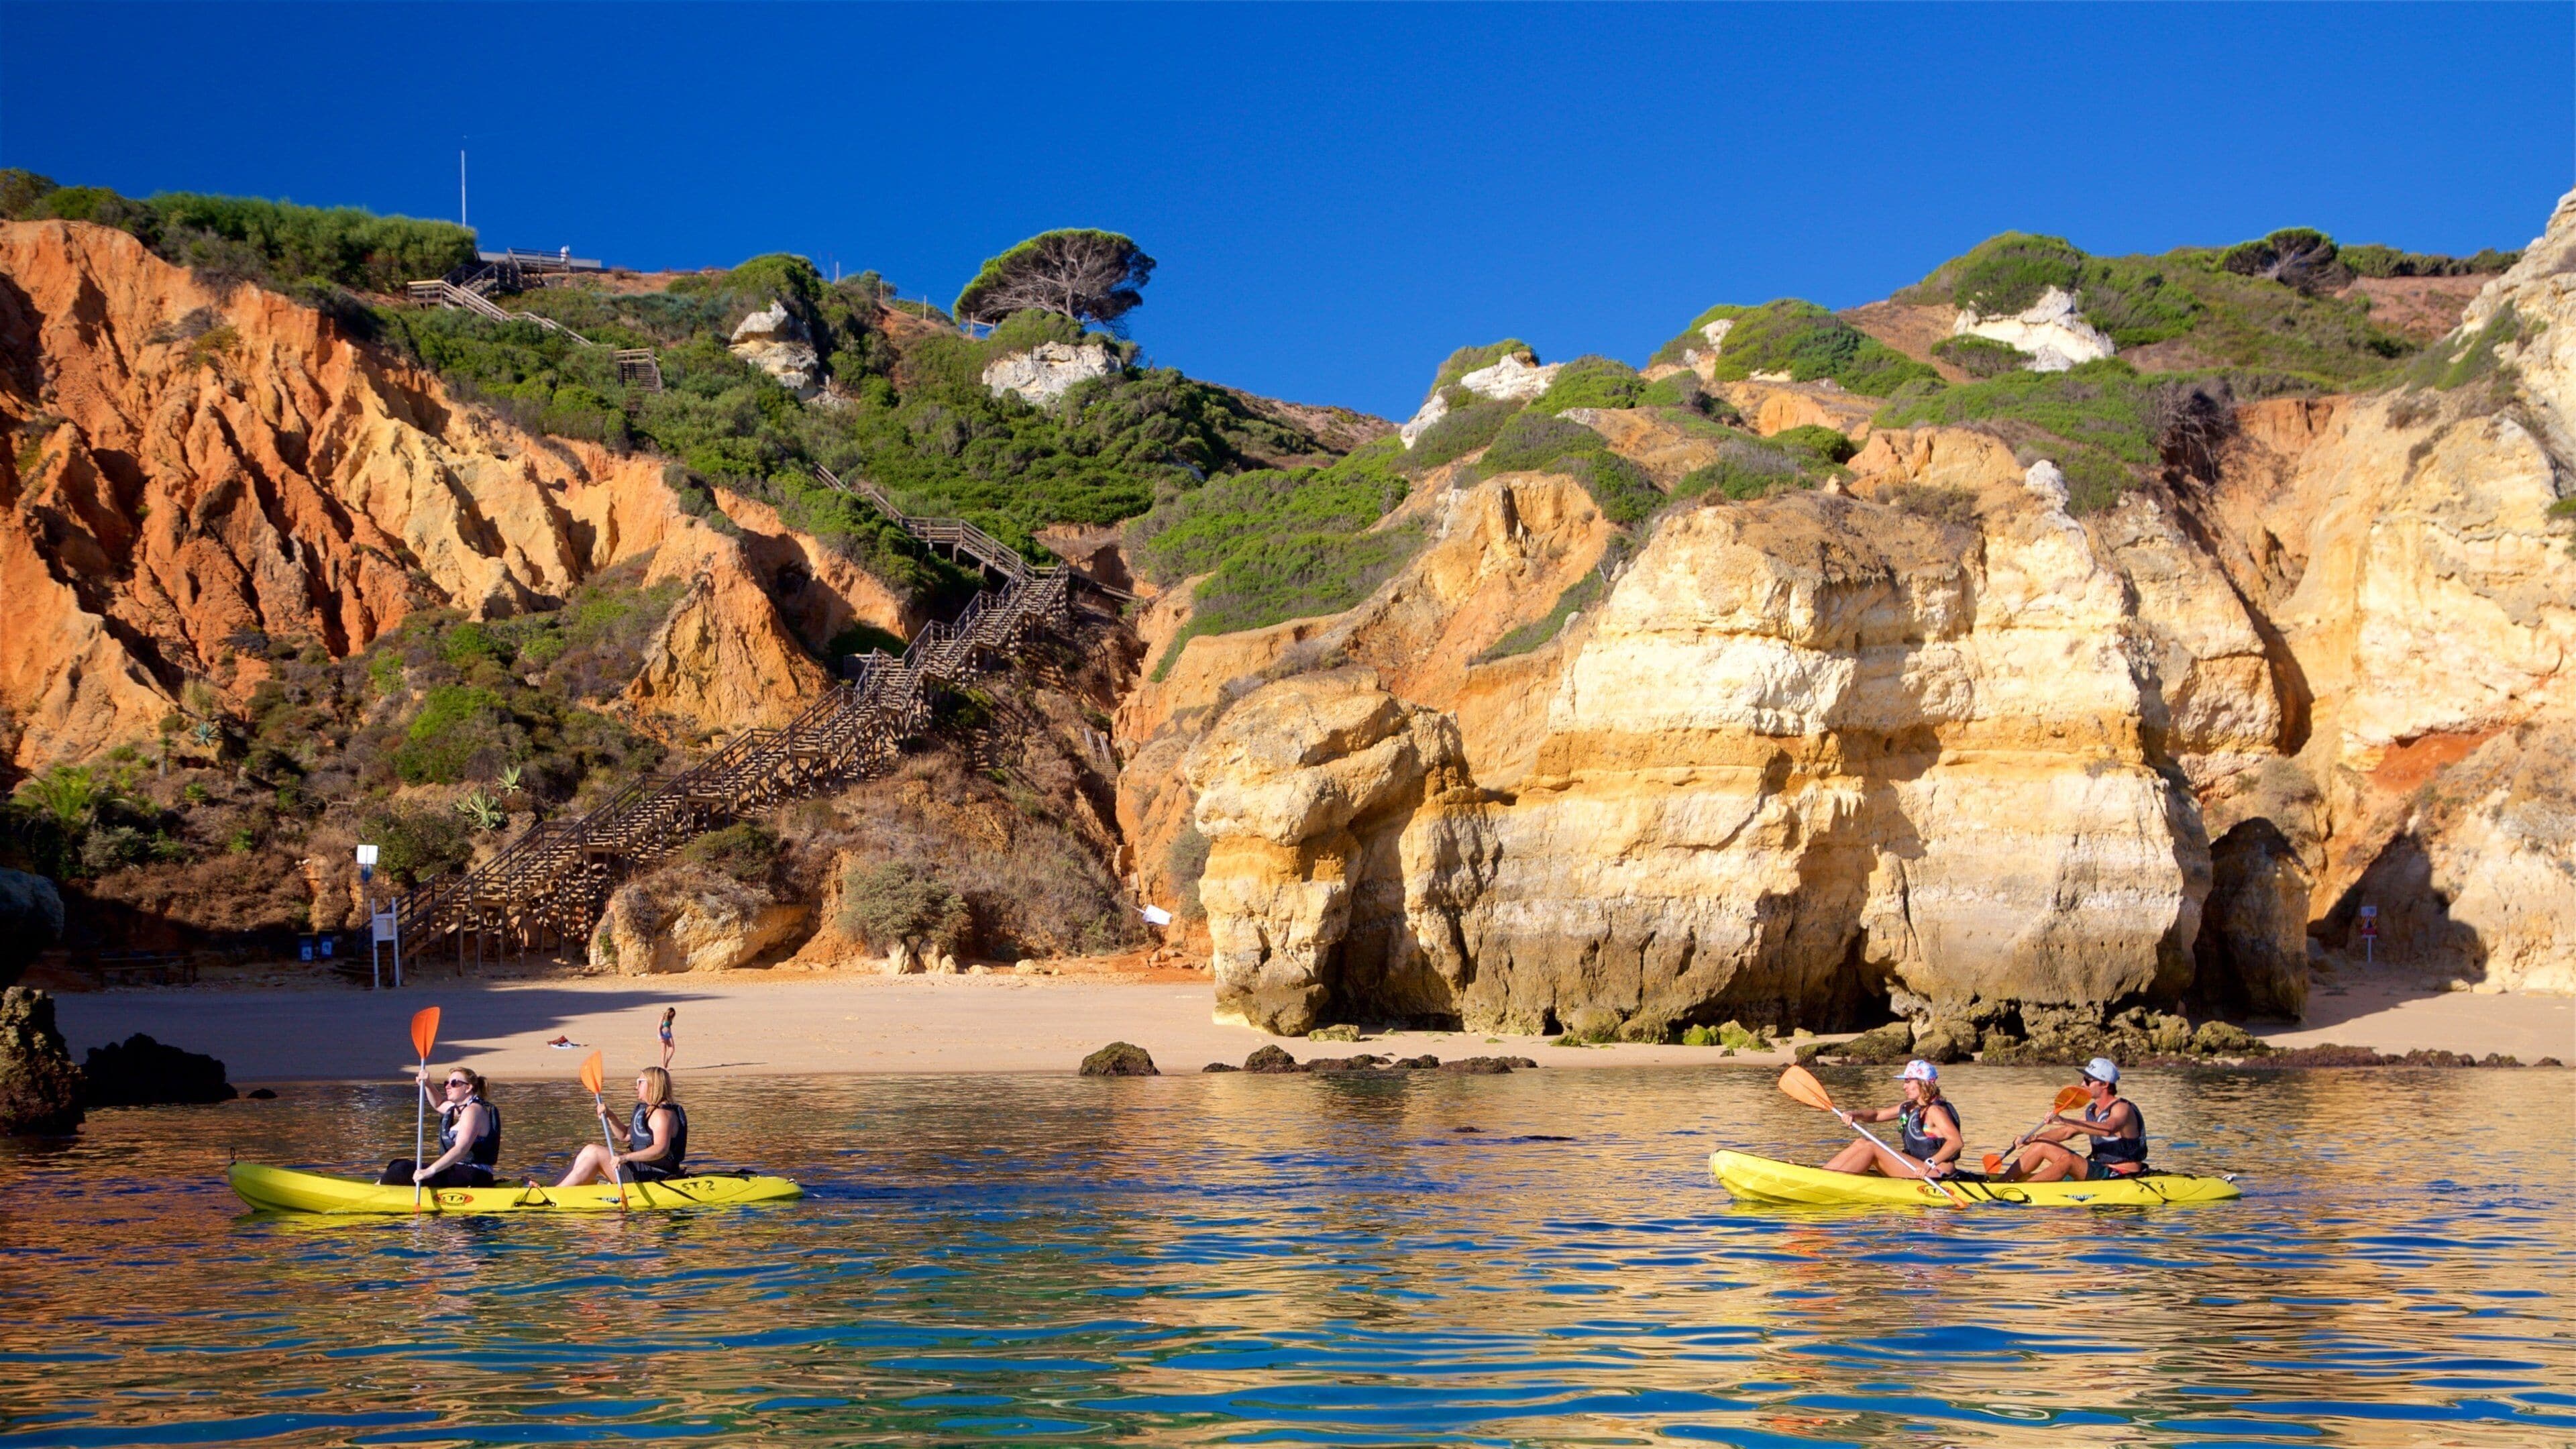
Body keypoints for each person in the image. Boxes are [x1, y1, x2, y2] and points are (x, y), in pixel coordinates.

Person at [2006, 1057, 2147, 1181]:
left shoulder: (2122, 1108)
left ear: (2105, 1084)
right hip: (2100, 1169)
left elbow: (2107, 1129)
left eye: (2088, 1080)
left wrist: (2064, 1120)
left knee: (2069, 1161)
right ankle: (2001, 1182)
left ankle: (2024, 1189)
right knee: (2041, 1144)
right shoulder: (2092, 1110)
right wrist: (2033, 1138)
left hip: (2122, 1174)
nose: (2082, 1084)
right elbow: (2066, 1132)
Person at [1821, 1059, 1964, 1179]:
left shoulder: (1935, 1111)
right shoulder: (1911, 1107)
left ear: (1923, 1083)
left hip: (1937, 1173)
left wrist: (1929, 1164)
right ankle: (1823, 1176)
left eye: (1908, 1081)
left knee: (1871, 1148)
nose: (1904, 1087)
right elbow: (1877, 1115)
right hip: (1917, 1167)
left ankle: (1831, 1182)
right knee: (1861, 1143)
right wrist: (1854, 1114)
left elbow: (1956, 1142)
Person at [557, 1065, 688, 1187]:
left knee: (595, 1153)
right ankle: (552, 1188)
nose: (636, 1087)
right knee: (589, 1149)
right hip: (641, 1168)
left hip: (655, 1174)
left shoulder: (663, 1115)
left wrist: (625, 1158)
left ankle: (556, 1193)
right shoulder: (648, 1111)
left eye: (640, 1082)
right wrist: (610, 1116)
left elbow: (661, 1150)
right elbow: (625, 1135)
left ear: (652, 1085)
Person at [380, 1067, 501, 1188]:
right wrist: (427, 1084)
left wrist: (430, 1171)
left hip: (474, 1175)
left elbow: (461, 1149)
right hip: (460, 1171)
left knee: (401, 1169)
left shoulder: (473, 1111)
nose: (448, 1086)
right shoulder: (462, 1108)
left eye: (454, 1083)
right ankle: (380, 1188)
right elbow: (439, 1104)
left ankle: (375, 1192)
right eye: (447, 1083)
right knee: (396, 1164)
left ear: (468, 1087)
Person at [658, 1007, 676, 1071]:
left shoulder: (670, 1018)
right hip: (663, 1034)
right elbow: (659, 1028)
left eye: (673, 1014)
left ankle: (666, 1064)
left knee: (672, 1049)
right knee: (664, 1051)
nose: (673, 1015)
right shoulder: (663, 1017)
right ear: (669, 1012)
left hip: (669, 1034)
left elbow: (669, 1026)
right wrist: (660, 1036)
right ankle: (663, 1066)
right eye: (672, 1013)